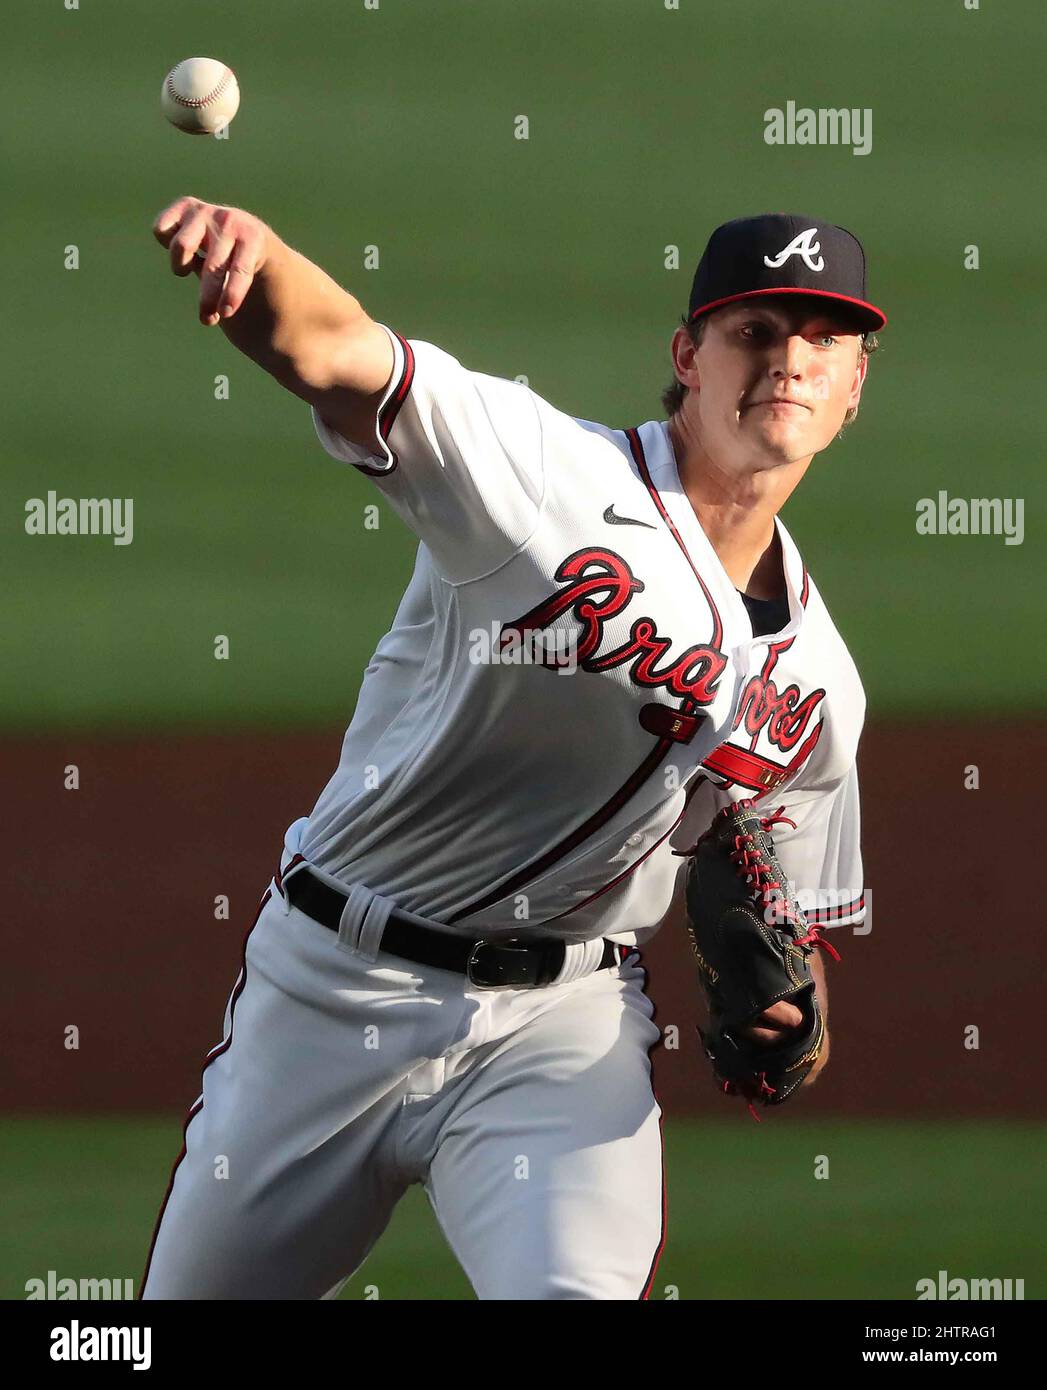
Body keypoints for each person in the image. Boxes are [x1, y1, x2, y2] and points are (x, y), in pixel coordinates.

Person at [140, 206, 881, 1300]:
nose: (788, 362)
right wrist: (263, 270)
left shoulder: (822, 685)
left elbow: (792, 916)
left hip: (557, 1033)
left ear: (857, 383)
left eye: (824, 339)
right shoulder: (543, 471)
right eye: (756, 329)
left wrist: (791, 1007)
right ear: (688, 356)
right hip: (332, 992)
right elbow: (347, 356)